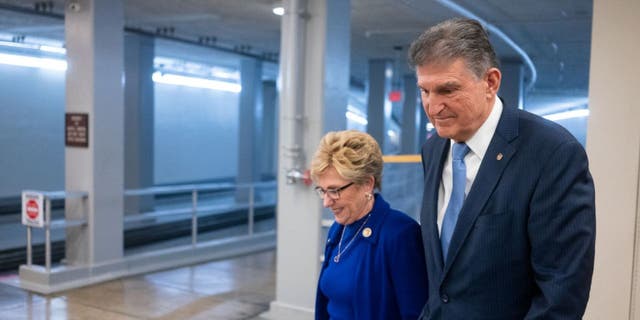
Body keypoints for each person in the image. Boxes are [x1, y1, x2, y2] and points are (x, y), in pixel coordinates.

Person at [408, 18, 595, 319]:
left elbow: (561, 294)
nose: (433, 106)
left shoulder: (551, 154)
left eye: (447, 90)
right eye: (425, 91)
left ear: (491, 82)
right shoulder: (433, 149)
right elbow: (443, 282)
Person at [311, 130, 428, 320]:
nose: (326, 202)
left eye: (334, 191)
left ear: (366, 184)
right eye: (322, 191)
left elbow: (415, 313)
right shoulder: (338, 230)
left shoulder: (400, 234)